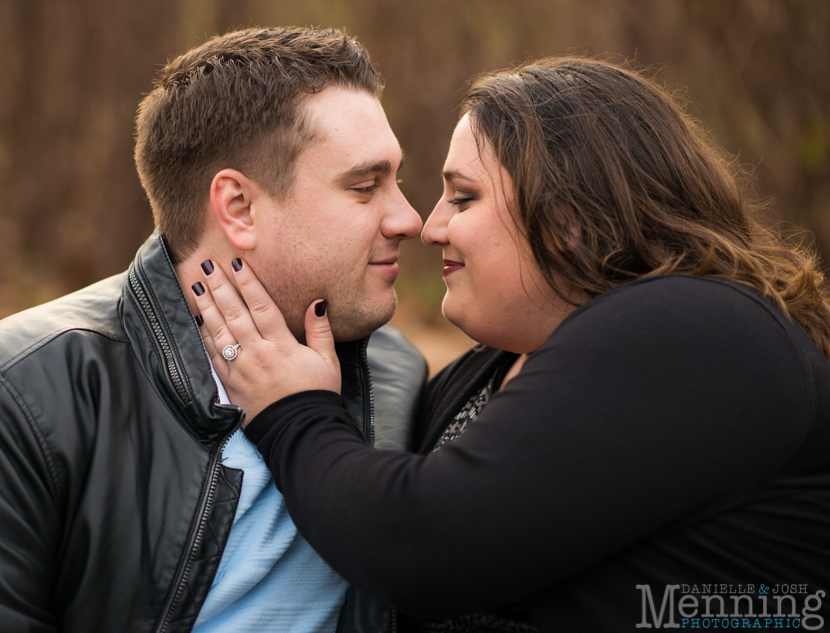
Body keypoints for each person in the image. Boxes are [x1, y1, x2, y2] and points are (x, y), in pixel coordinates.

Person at [190, 57, 830, 632]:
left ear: (568, 220)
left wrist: (293, 413)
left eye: (463, 197)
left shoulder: (700, 329)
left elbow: (428, 544)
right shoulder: (484, 372)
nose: (428, 224)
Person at [0, 27, 428, 633]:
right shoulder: (15, 397)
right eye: (365, 186)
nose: (410, 218)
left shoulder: (401, 382)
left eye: (396, 182)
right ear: (238, 207)